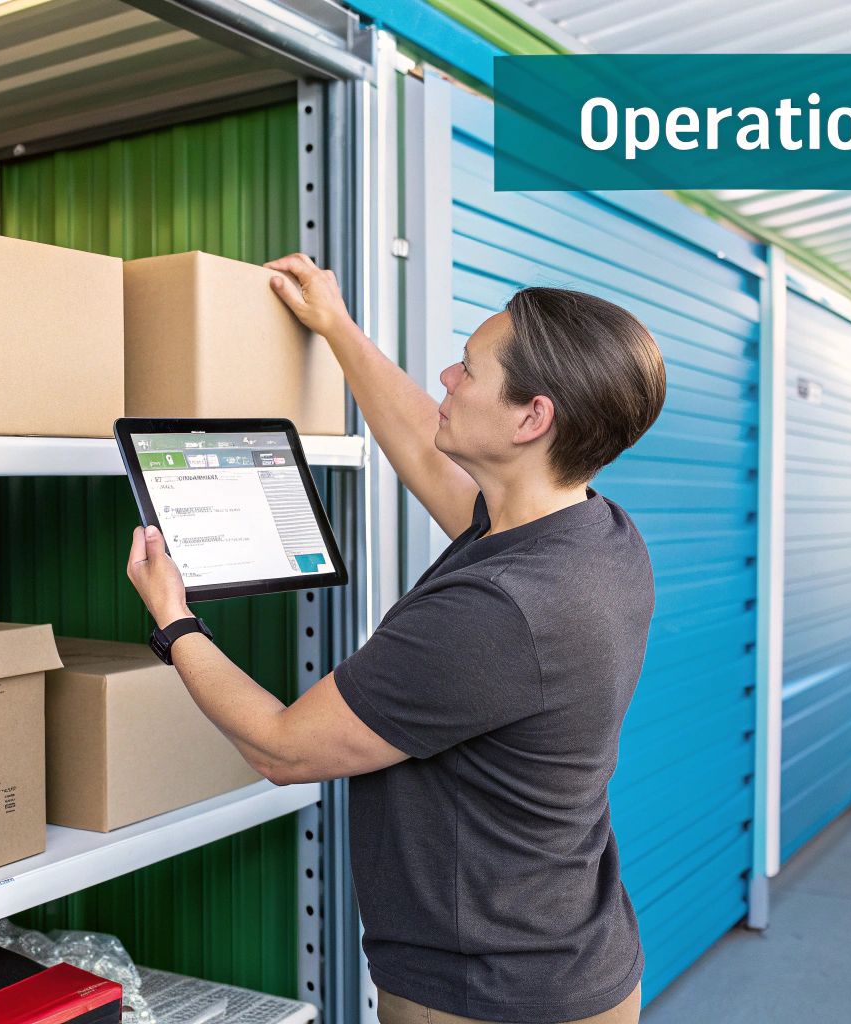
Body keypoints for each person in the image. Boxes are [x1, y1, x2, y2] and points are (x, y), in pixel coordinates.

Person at [124, 252, 667, 1024]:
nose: (447, 376)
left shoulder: (502, 610)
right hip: (564, 957)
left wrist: (173, 619)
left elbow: (284, 749)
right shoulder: (590, 534)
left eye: (469, 369)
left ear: (531, 418)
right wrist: (337, 326)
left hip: (492, 993)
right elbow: (422, 449)